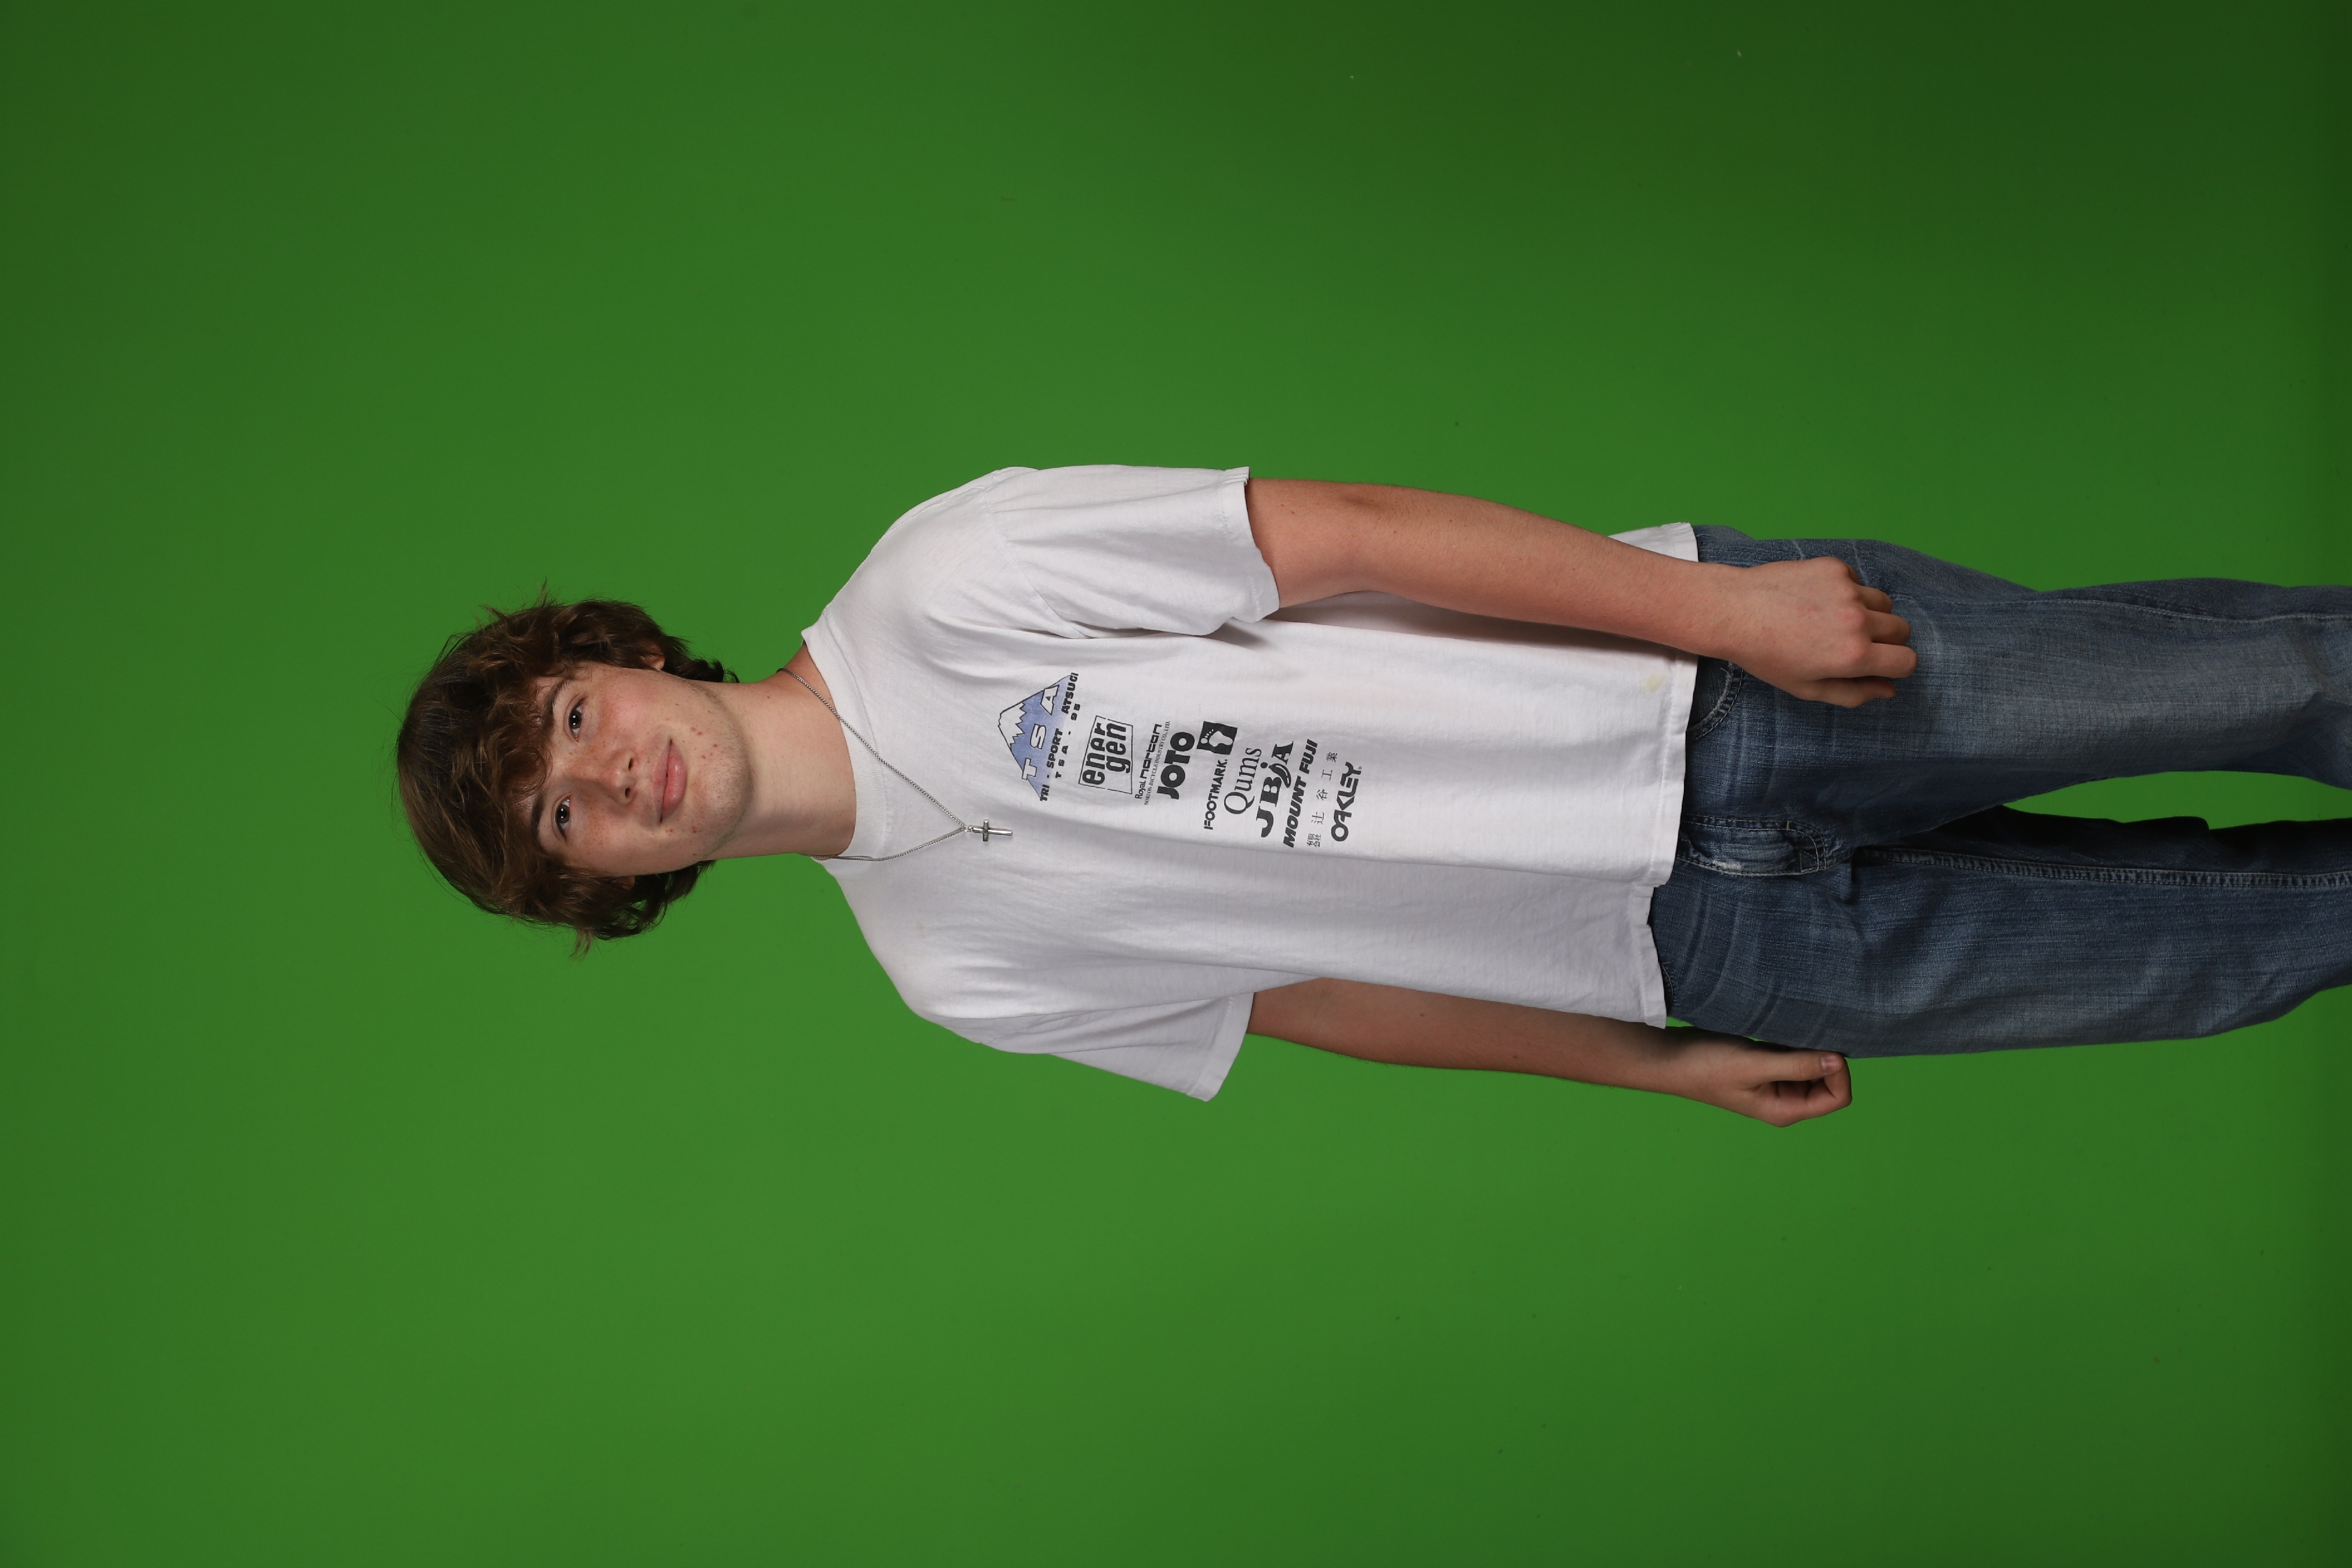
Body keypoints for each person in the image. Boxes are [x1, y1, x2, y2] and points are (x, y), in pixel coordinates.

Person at [396, 466, 2352, 1126]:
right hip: (1711, 947)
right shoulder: (951, 970)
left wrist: (1721, 609)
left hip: (1707, 701)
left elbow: (1341, 532)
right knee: (2234, 954)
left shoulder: (940, 579)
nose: (608, 773)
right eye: (564, 818)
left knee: (2268, 677)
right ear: (609, 886)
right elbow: (1308, 1000)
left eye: (571, 719)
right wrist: (1648, 1065)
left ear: (620, 658)